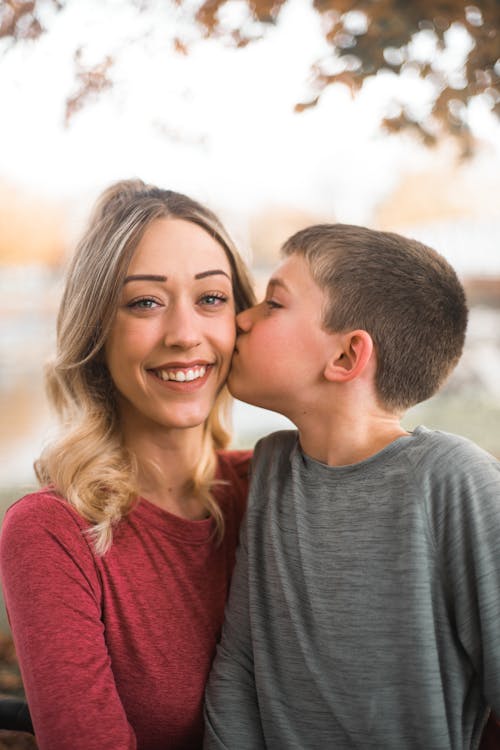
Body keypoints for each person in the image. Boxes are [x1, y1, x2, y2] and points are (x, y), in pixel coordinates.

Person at [204, 223, 500, 749]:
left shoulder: (451, 480)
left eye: (273, 304)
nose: (241, 319)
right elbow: (240, 663)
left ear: (345, 357)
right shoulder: (273, 469)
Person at [0, 178, 255, 750]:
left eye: (211, 298)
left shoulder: (276, 484)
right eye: (145, 302)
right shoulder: (53, 532)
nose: (186, 334)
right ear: (96, 328)